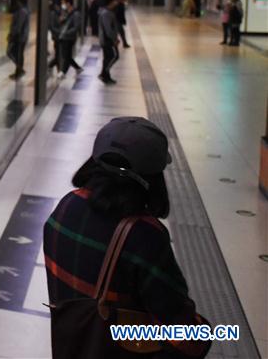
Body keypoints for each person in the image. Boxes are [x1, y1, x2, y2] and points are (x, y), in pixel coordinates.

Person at [44, 117, 210, 359]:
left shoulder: (66, 206)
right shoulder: (144, 236)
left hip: (72, 345)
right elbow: (181, 331)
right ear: (153, 179)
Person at [57, 0, 83, 78]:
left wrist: (66, 33)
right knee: (66, 55)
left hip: (69, 38)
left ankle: (63, 72)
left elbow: (75, 27)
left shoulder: (76, 14)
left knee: (66, 56)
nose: (62, 5)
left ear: (68, 3)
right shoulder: (66, 12)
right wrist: (61, 21)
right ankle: (77, 68)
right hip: (64, 37)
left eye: (63, 3)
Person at [7, 0, 30, 80]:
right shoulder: (23, 10)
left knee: (10, 52)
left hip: (19, 37)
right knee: (18, 54)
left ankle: (20, 70)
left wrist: (12, 35)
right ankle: (18, 72)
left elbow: (18, 26)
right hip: (21, 37)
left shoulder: (22, 11)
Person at [98, 0, 120, 85]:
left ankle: (105, 75)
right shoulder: (106, 13)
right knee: (113, 56)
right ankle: (104, 74)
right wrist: (114, 39)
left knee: (108, 57)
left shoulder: (108, 12)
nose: (116, 2)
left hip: (107, 39)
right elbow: (108, 29)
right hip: (107, 40)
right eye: (114, 1)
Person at [47, 0, 61, 71]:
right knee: (58, 52)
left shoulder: (59, 13)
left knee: (58, 52)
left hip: (59, 36)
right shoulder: (53, 14)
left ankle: (52, 65)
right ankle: (58, 68)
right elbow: (51, 26)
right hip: (57, 36)